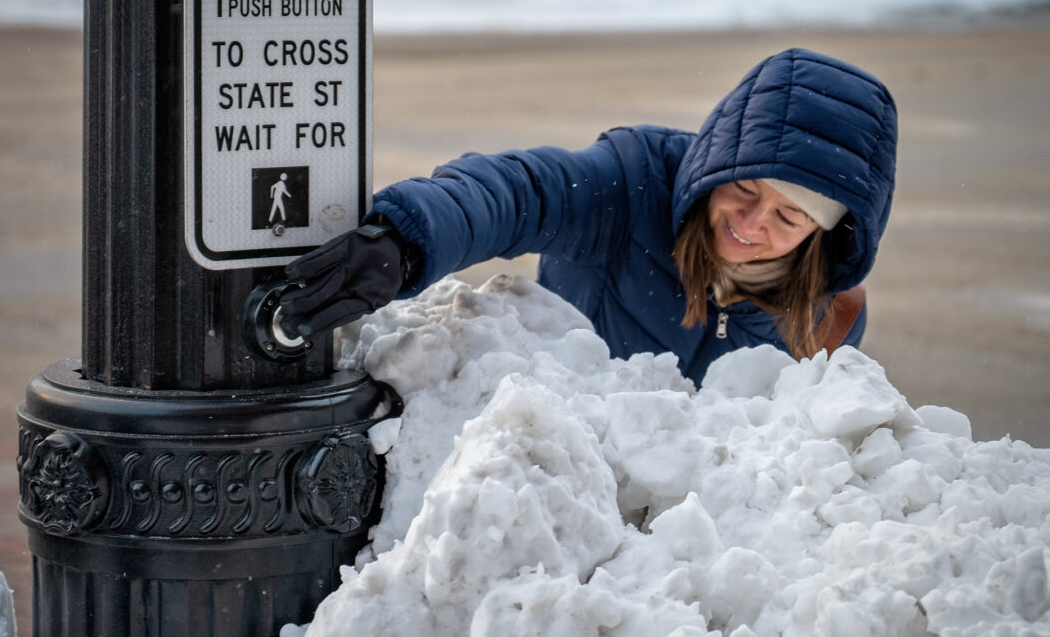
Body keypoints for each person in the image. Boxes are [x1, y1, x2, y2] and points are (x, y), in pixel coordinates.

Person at [279, 48, 897, 386]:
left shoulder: (828, 311)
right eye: (745, 188)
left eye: (789, 217)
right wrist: (407, 241)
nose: (753, 222)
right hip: (555, 486)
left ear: (824, 233)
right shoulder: (633, 183)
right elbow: (518, 191)